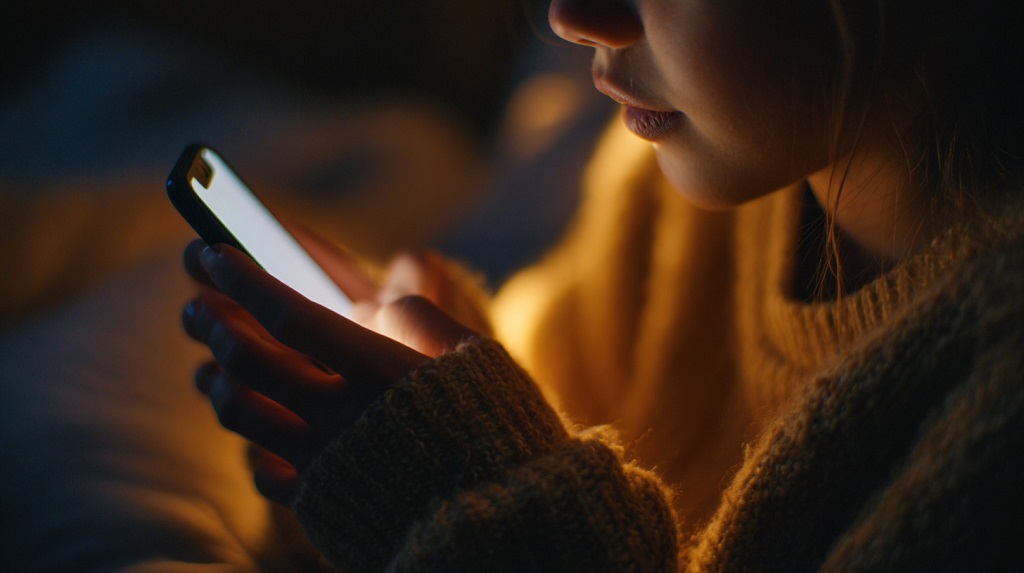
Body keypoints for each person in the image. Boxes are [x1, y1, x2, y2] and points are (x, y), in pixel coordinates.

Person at [180, 0, 1024, 570]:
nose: (572, 15)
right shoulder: (672, 195)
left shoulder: (993, 399)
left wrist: (453, 497)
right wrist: (438, 413)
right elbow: (549, 407)